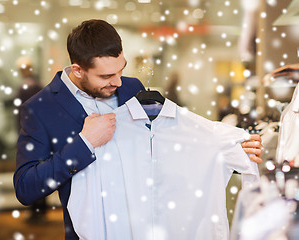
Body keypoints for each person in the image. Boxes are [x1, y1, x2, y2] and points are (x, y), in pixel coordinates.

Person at [14, 19, 263, 239]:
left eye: (122, 68)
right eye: (106, 76)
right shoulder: (40, 108)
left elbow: (164, 146)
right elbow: (26, 188)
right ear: (78, 70)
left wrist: (223, 151)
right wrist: (84, 144)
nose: (118, 81)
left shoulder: (133, 88)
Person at [15, 56, 47, 223]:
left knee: (33, 172)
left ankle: (38, 210)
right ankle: (40, 210)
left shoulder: (28, 86)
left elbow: (24, 113)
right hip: (40, 134)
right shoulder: (37, 84)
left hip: (33, 135)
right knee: (38, 172)